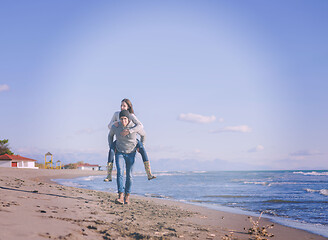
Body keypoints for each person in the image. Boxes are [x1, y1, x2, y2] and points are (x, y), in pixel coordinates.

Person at [104, 99, 156, 182]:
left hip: (131, 139)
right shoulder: (116, 114)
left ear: (128, 107)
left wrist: (130, 130)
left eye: (124, 106)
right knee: (111, 150)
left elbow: (140, 126)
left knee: (142, 149)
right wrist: (114, 124)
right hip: (119, 139)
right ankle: (108, 175)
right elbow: (109, 126)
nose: (122, 107)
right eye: (121, 105)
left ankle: (149, 174)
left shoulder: (131, 115)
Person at [108, 110, 144, 204]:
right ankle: (120, 196)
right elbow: (110, 135)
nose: (123, 121)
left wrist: (140, 147)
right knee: (119, 172)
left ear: (128, 119)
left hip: (131, 153)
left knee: (130, 176)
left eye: (125, 119)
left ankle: (127, 196)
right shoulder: (116, 126)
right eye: (121, 119)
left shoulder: (134, 126)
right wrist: (112, 146)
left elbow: (143, 134)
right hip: (119, 152)